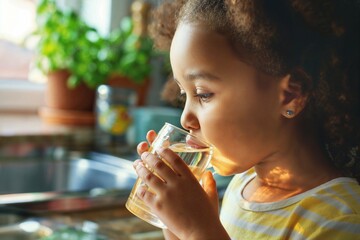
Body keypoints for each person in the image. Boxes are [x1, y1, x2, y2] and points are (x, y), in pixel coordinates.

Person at [133, 0, 360, 239]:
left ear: (290, 95)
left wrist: (199, 231)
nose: (185, 118)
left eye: (203, 94)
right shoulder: (242, 186)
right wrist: (178, 227)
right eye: (183, 94)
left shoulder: (341, 220)